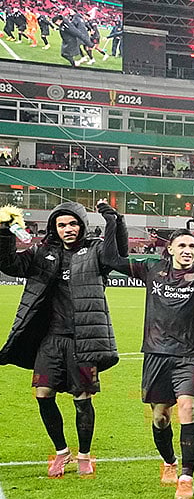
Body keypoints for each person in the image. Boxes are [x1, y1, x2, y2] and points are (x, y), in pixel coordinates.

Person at [0, 201, 123, 478]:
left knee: (82, 399)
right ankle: (61, 452)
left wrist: (113, 220)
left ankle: (84, 454)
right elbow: (8, 264)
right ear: (54, 228)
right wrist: (4, 231)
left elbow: (117, 255)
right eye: (62, 224)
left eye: (73, 223)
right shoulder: (41, 253)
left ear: (81, 225)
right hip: (50, 339)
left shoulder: (95, 252)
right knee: (43, 395)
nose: (68, 229)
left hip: (84, 339)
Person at [103, 220, 194, 499]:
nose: (188, 250)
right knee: (161, 417)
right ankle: (169, 461)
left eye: (193, 246)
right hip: (156, 354)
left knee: (187, 408)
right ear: (171, 248)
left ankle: (186, 477)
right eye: (183, 245)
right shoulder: (152, 269)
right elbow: (112, 258)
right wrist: (113, 223)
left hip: (190, 356)